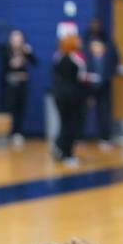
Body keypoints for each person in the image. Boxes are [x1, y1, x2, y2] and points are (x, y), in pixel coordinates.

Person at [52, 35, 87, 167]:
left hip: (59, 95)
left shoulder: (57, 57)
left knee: (64, 123)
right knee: (71, 124)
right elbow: (81, 77)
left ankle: (60, 146)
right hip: (72, 96)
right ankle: (68, 154)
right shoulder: (77, 59)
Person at [1, 30, 37, 145]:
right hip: (11, 85)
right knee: (11, 110)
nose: (17, 41)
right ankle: (10, 133)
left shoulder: (25, 50)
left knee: (21, 109)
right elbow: (3, 69)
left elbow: (35, 62)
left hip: (23, 84)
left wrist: (30, 53)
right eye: (14, 39)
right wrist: (12, 63)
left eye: (19, 39)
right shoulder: (6, 51)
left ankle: (19, 132)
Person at [85, 39, 117, 150]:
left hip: (104, 90)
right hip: (90, 90)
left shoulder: (107, 60)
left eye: (99, 46)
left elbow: (111, 70)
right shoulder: (87, 60)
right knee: (84, 113)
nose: (97, 49)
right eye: (94, 46)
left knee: (104, 114)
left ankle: (104, 138)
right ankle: (81, 137)